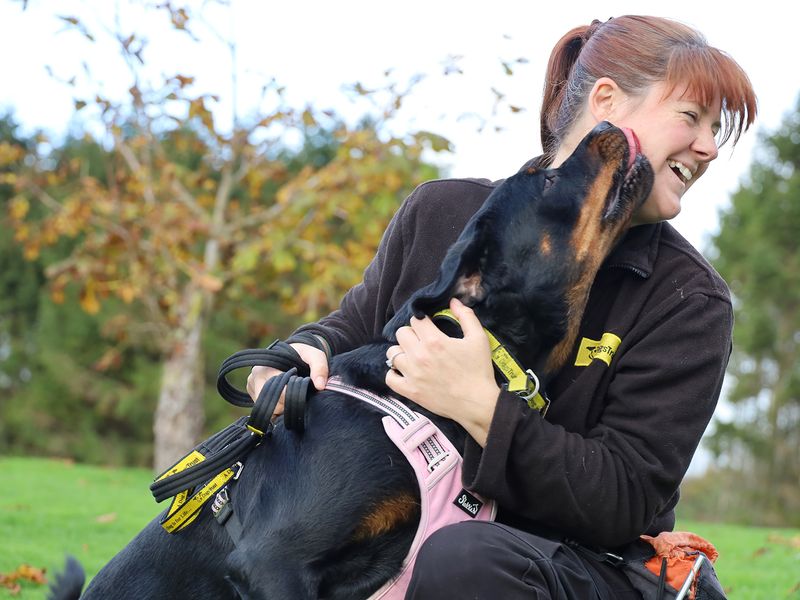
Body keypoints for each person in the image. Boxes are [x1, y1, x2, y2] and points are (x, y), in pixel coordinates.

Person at [247, 15, 756, 599]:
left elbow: (622, 499)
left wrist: (479, 405)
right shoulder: (440, 211)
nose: (710, 148)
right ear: (608, 102)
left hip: (574, 565)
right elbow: (352, 330)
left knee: (466, 560)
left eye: (718, 129)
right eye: (692, 118)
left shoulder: (688, 298)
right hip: (404, 538)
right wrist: (286, 361)